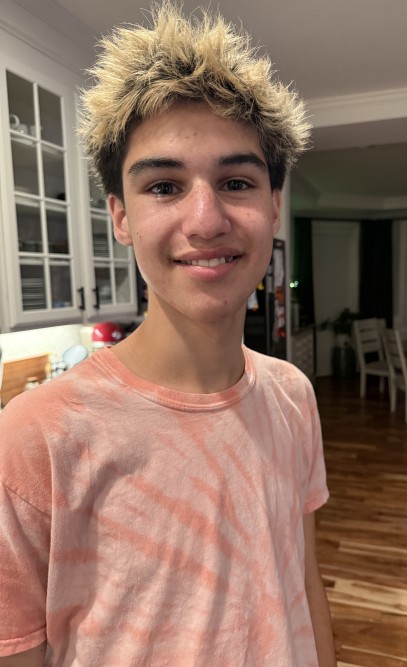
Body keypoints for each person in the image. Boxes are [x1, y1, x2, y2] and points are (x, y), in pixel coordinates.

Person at [0, 3, 336, 665]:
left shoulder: (294, 395)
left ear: (273, 206)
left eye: (235, 182)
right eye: (164, 186)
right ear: (121, 216)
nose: (205, 219)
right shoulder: (34, 438)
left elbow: (303, 583)